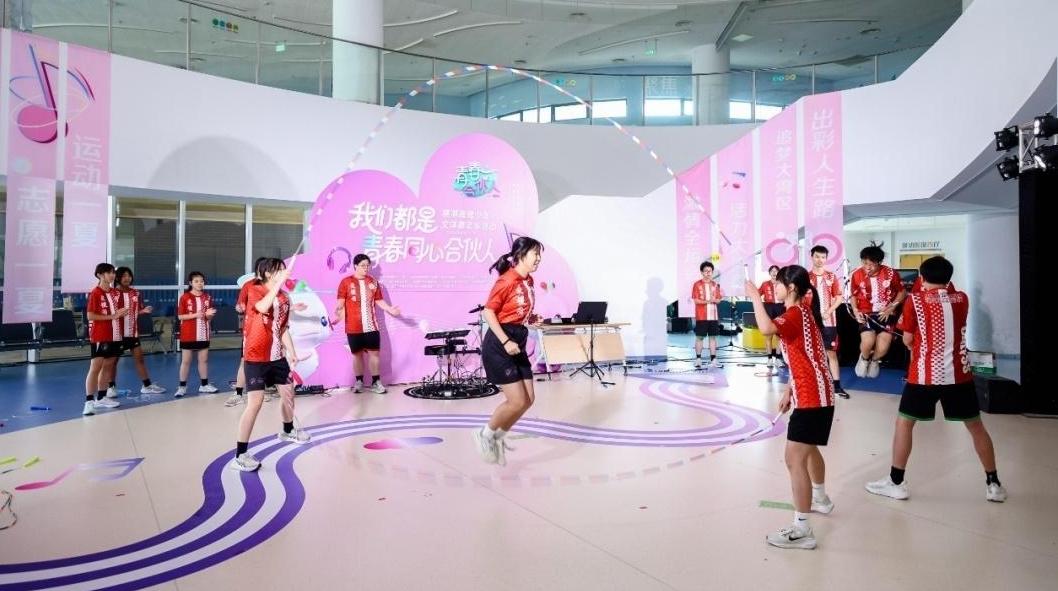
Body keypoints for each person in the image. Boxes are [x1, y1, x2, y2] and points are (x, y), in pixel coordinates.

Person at [865, 256, 1007, 503]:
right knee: (976, 427)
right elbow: (947, 298)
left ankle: (896, 483)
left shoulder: (915, 301)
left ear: (921, 277)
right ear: (949, 278)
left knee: (904, 424)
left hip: (923, 376)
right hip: (959, 376)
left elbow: (908, 339)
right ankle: (993, 483)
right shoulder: (962, 299)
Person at [746, 265, 836, 550]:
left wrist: (755, 297)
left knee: (794, 459)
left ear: (792, 287)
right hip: (815, 393)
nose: (775, 286)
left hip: (812, 397)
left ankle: (802, 530)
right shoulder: (803, 312)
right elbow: (804, 355)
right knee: (808, 450)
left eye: (779, 282)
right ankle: (820, 498)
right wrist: (789, 389)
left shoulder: (796, 313)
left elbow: (765, 329)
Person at [230, 258, 311, 472]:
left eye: (284, 269)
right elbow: (262, 306)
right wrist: (278, 284)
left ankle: (287, 430)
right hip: (256, 356)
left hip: (277, 357)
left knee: (288, 394)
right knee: (255, 404)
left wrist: (292, 352)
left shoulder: (284, 297)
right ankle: (240, 454)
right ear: (267, 273)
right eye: (279, 270)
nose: (284, 272)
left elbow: (282, 328)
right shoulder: (254, 289)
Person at [472, 237, 543, 466]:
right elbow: (488, 312)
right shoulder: (507, 280)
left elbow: (515, 311)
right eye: (535, 253)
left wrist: (531, 318)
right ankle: (484, 435)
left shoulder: (528, 280)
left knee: (528, 400)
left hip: (517, 339)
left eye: (539, 254)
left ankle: (497, 437)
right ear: (521, 255)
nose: (538, 258)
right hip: (500, 344)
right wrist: (505, 341)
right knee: (516, 401)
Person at [334, 254, 401, 393]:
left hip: (371, 326)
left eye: (367, 265)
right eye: (363, 265)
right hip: (353, 327)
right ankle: (359, 382)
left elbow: (379, 300)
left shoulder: (373, 282)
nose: (366, 268)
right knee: (357, 355)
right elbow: (340, 302)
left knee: (374, 354)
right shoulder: (345, 282)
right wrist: (338, 310)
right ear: (355, 266)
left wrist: (390, 309)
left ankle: (376, 382)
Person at [850, 242, 905, 378]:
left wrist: (891, 307)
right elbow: (853, 295)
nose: (867, 267)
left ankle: (874, 361)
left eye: (871, 264)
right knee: (868, 342)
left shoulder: (891, 273)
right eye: (864, 263)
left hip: (886, 313)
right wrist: (855, 310)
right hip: (866, 313)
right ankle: (864, 358)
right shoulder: (856, 274)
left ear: (879, 262)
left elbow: (902, 292)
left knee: (883, 347)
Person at [111, 267, 166, 397]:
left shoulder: (135, 293)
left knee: (140, 359)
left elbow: (135, 311)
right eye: (124, 276)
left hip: (132, 333)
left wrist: (143, 311)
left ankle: (147, 386)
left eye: (129, 275)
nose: (127, 278)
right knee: (113, 362)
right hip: (117, 334)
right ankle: (110, 388)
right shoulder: (112, 293)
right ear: (118, 278)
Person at [83, 263, 126, 416]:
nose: (112, 275)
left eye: (113, 272)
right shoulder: (95, 293)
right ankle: (89, 402)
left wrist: (121, 313)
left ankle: (101, 398)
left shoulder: (115, 293)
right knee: (95, 367)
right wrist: (113, 316)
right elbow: (90, 315)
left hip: (115, 334)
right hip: (100, 335)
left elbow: (118, 312)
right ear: (100, 275)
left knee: (108, 366)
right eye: (109, 273)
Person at [808, 245, 849, 398]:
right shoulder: (805, 277)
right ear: (812, 257)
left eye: (823, 257)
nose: (820, 260)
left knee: (831, 353)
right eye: (817, 256)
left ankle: (837, 387)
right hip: (810, 322)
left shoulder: (831, 277)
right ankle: (813, 385)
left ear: (826, 259)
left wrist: (828, 312)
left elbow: (839, 298)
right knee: (811, 354)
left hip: (829, 322)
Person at [176, 271, 218, 396]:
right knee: (186, 361)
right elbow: (180, 316)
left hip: (203, 334)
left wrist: (209, 315)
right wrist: (195, 315)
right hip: (188, 334)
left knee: (203, 360)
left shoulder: (207, 297)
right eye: (196, 281)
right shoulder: (185, 297)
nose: (200, 283)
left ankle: (204, 385)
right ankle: (182, 387)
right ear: (190, 283)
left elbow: (208, 318)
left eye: (202, 281)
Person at [691, 261, 723, 368]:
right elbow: (696, 301)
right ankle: (698, 359)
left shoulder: (715, 285)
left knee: (713, 337)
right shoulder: (697, 284)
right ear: (702, 272)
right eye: (706, 271)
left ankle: (713, 360)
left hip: (713, 316)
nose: (708, 273)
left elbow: (719, 300)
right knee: (699, 337)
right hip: (702, 316)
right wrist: (708, 301)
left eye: (710, 271)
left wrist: (715, 300)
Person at [759, 265, 784, 368]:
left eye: (776, 271)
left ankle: (778, 358)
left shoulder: (783, 284)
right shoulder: (765, 284)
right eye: (772, 271)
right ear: (769, 273)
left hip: (780, 308)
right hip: (768, 308)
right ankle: (769, 359)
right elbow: (757, 294)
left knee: (780, 336)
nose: (774, 273)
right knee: (768, 335)